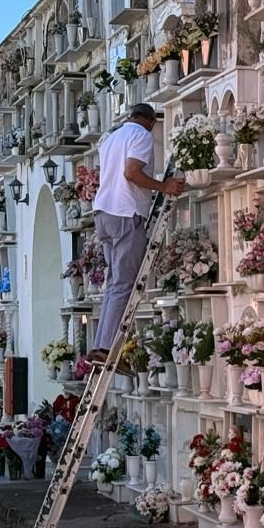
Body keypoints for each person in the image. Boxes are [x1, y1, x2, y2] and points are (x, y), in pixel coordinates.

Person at [89, 103, 183, 363]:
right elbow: (131, 172)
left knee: (113, 284)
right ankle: (107, 349)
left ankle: (99, 344)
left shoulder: (111, 138)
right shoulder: (141, 135)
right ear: (150, 122)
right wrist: (163, 187)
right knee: (123, 284)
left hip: (103, 214)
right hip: (125, 213)